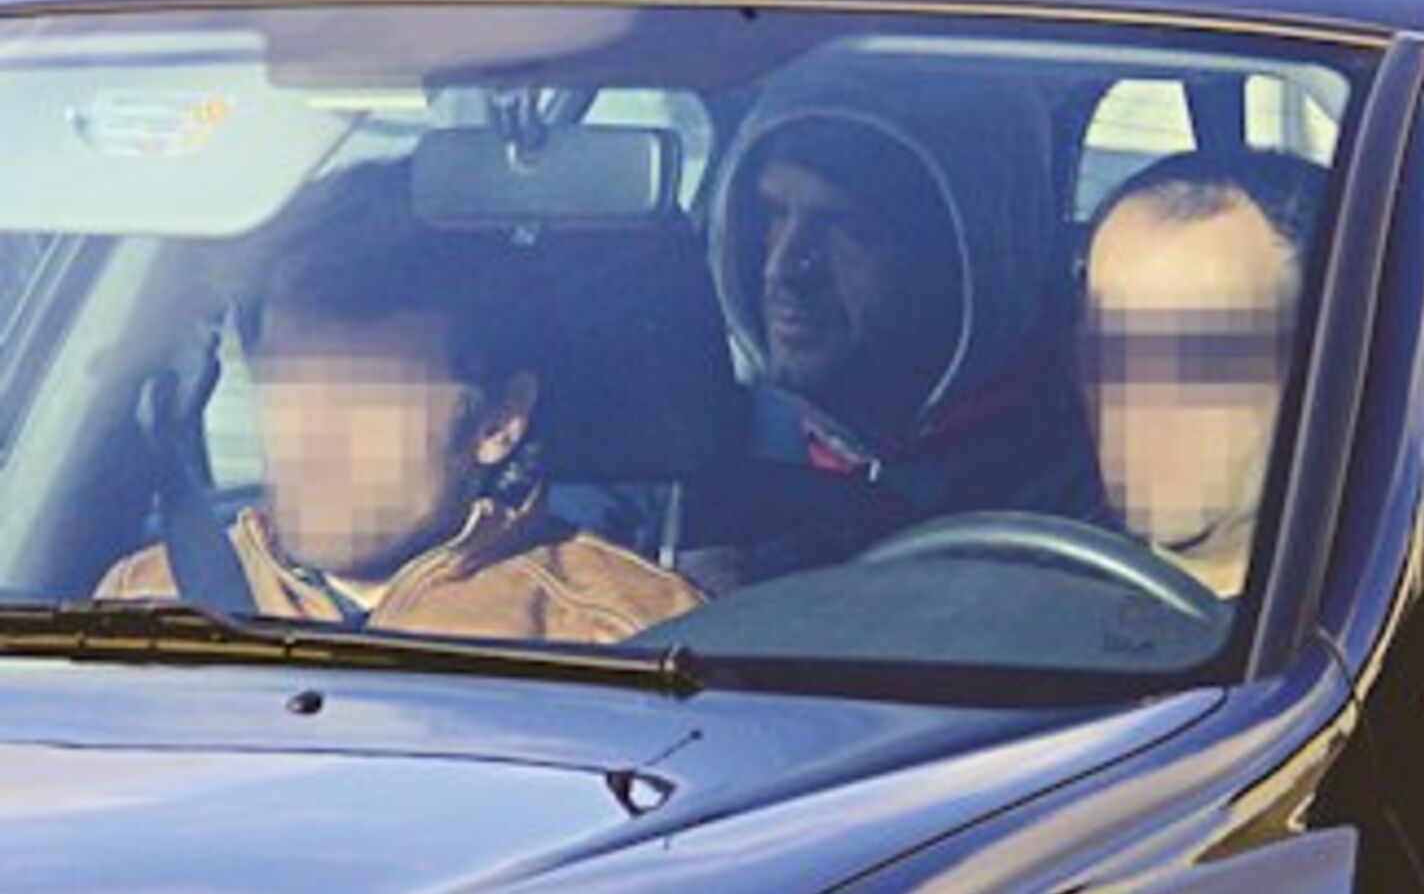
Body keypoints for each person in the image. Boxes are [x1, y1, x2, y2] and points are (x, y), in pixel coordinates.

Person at [97, 161, 703, 642]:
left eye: (366, 395)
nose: (311, 433)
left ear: (498, 421)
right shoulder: (147, 603)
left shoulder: (626, 637)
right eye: (287, 381)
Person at [686, 50, 1108, 592]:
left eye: (843, 225)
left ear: (959, 259)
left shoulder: (1085, 488)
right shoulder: (692, 443)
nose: (784, 268)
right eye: (773, 214)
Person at [1080, 149, 1326, 597]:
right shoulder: (1019, 576)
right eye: (1116, 348)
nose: (1144, 401)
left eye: (1205, 359)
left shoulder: (1370, 614)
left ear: (1318, 370)